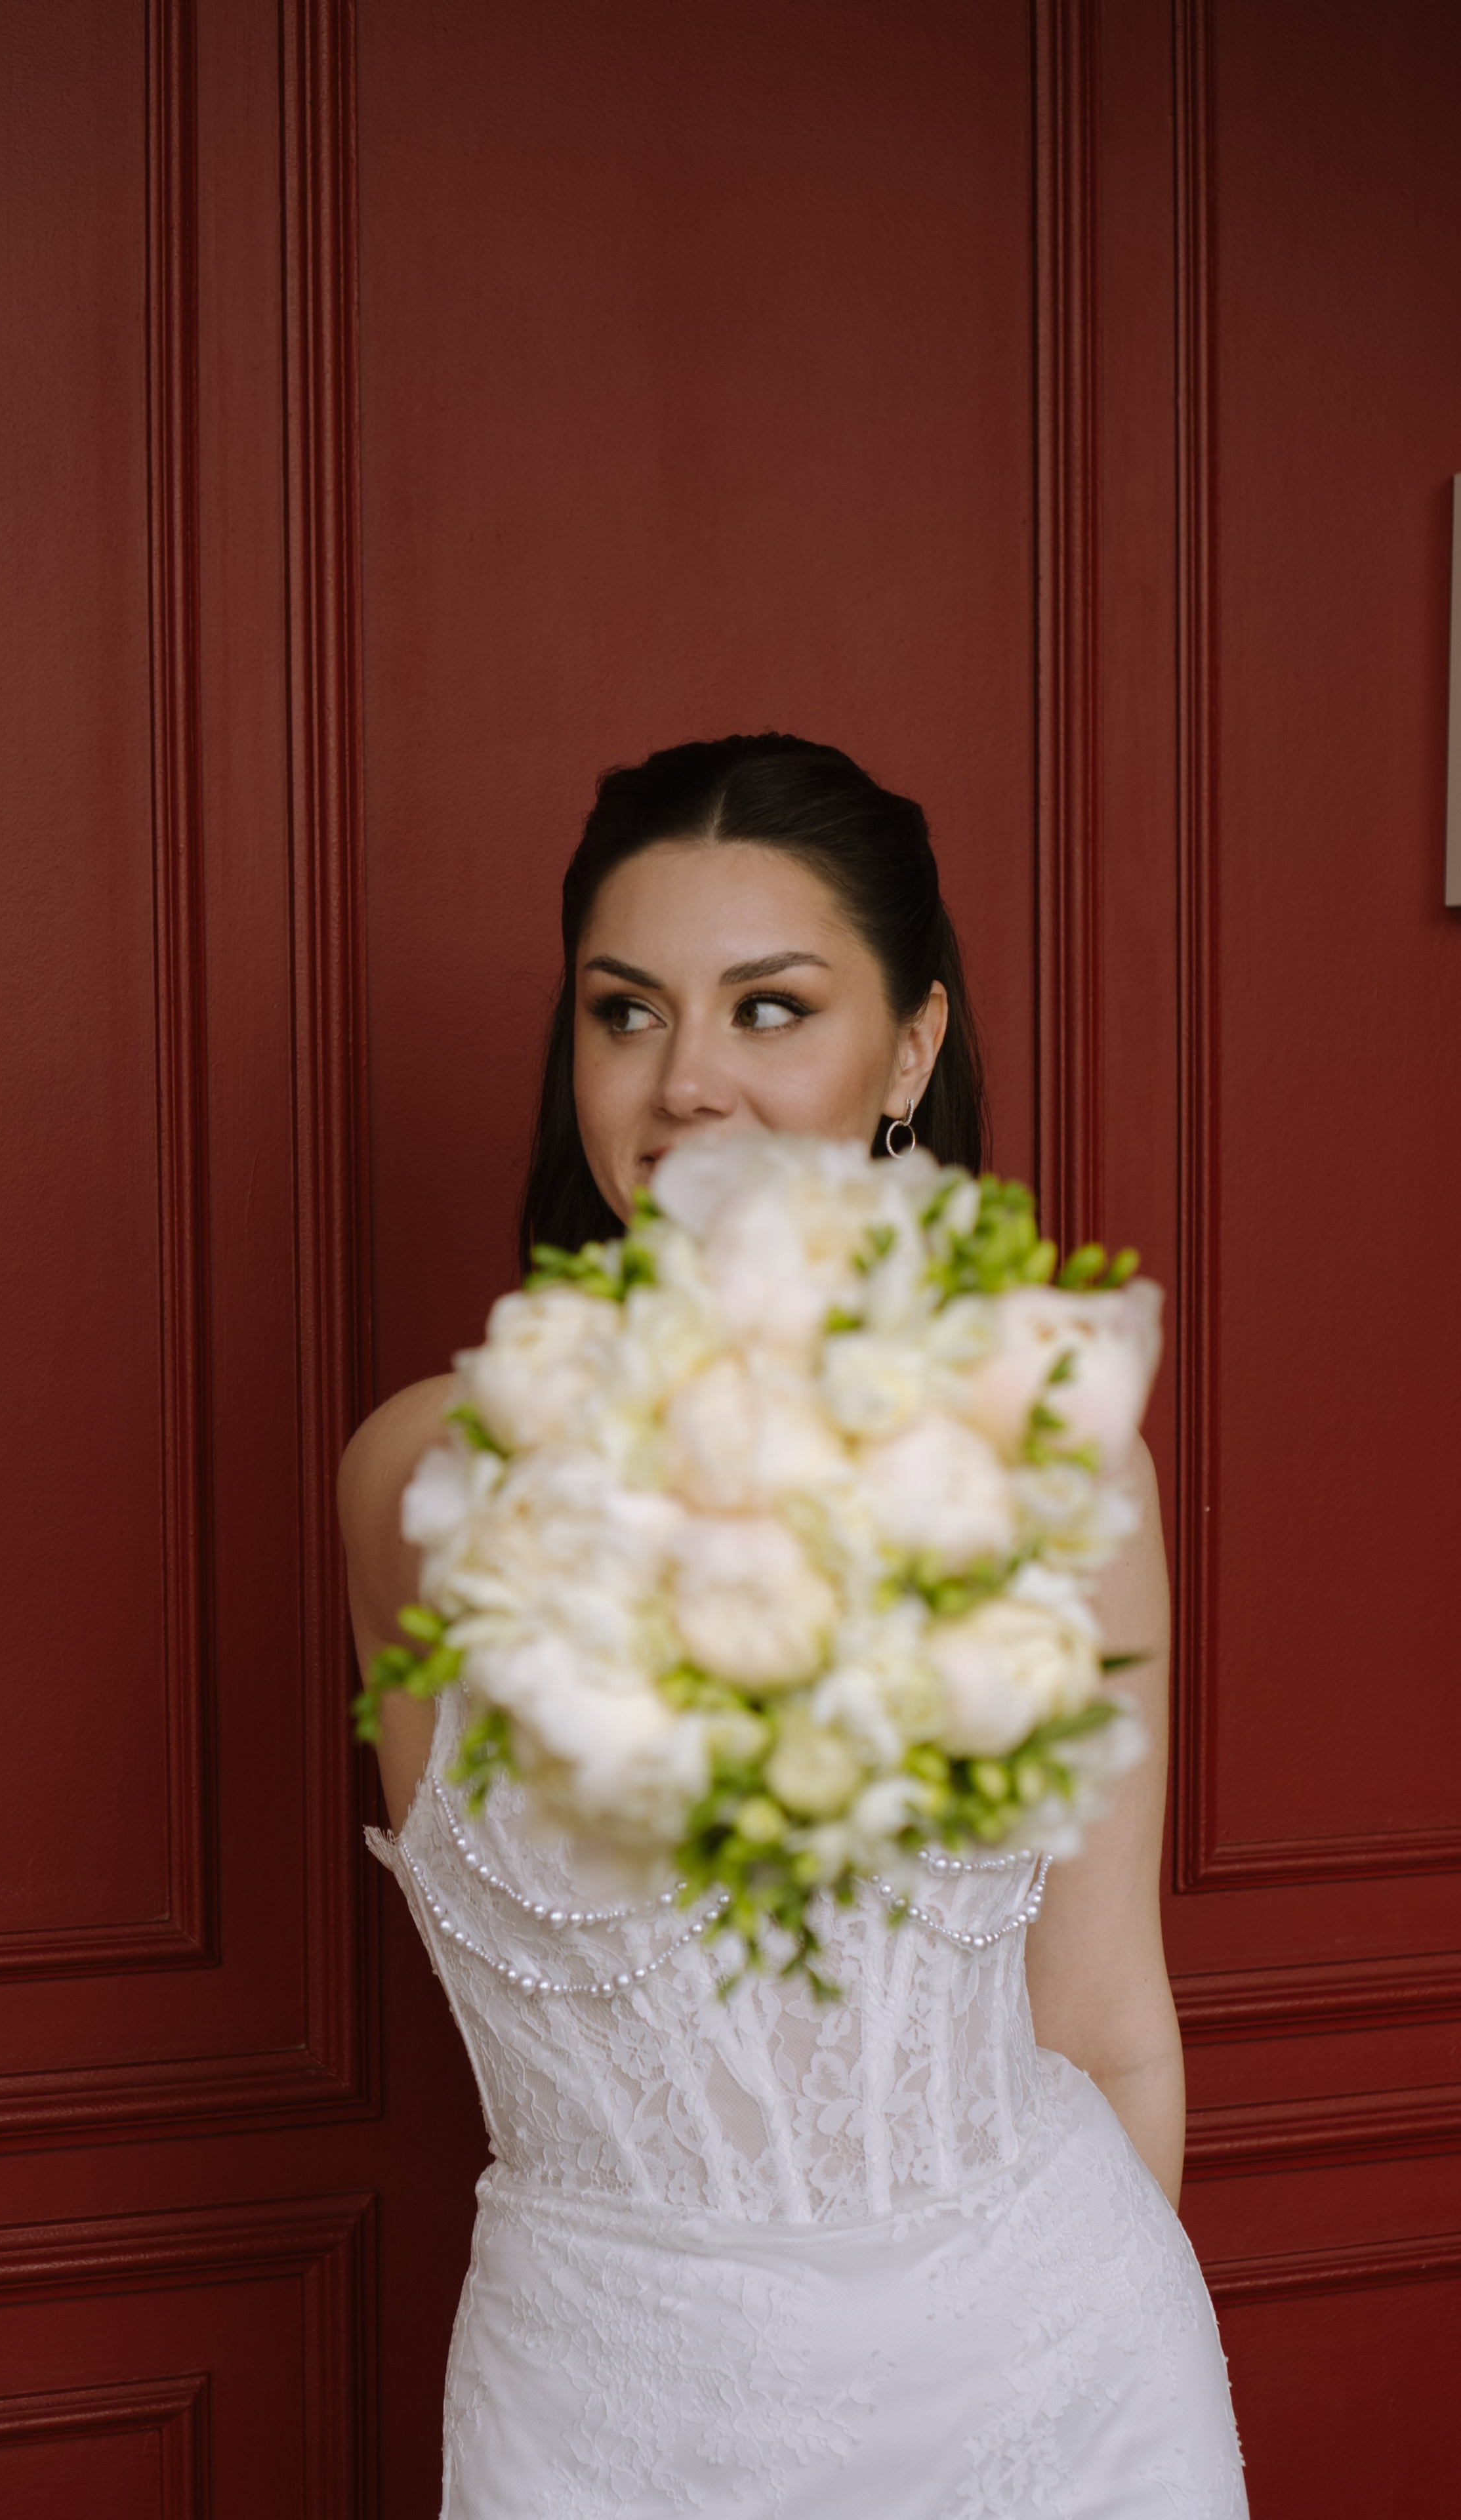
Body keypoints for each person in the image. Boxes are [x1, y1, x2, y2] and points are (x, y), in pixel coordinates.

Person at [339, 735, 1246, 2519]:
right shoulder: (421, 1483)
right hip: (606, 2416)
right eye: (626, 1014)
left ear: (909, 1047)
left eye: (770, 1011)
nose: (688, 1086)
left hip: (1064, 2401)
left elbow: (1112, 2020)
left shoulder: (1063, 1465)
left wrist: (1102, 2411)